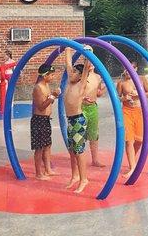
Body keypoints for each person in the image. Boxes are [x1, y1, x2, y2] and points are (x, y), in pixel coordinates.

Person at [116, 61, 148, 175]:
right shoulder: (121, 83)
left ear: (135, 69)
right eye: (125, 68)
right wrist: (124, 98)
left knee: (140, 140)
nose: (127, 71)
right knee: (129, 141)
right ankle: (132, 167)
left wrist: (138, 94)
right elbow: (117, 99)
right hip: (126, 111)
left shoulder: (142, 79)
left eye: (130, 68)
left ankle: (132, 159)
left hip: (139, 112)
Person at [63, 47, 91, 193]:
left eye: (75, 72)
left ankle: (83, 179)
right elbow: (68, 63)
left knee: (79, 151)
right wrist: (68, 47)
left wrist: (89, 51)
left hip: (78, 120)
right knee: (72, 150)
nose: (71, 73)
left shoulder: (81, 84)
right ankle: (74, 176)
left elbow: (87, 66)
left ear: (80, 76)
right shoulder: (70, 82)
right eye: (72, 71)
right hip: (70, 121)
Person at [31, 64, 60, 180]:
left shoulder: (46, 85)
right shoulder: (38, 88)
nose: (53, 77)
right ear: (45, 75)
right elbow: (41, 106)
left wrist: (52, 97)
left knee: (47, 145)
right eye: (51, 75)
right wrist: (53, 96)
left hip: (46, 119)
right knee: (39, 148)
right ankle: (38, 173)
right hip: (39, 120)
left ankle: (47, 169)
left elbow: (49, 102)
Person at [81, 45, 107, 167]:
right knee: (80, 133)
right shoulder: (82, 76)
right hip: (81, 107)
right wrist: (88, 52)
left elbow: (99, 94)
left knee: (93, 135)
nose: (90, 64)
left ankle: (95, 160)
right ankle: (78, 158)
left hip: (92, 107)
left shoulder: (97, 77)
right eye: (88, 61)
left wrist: (105, 87)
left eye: (92, 61)